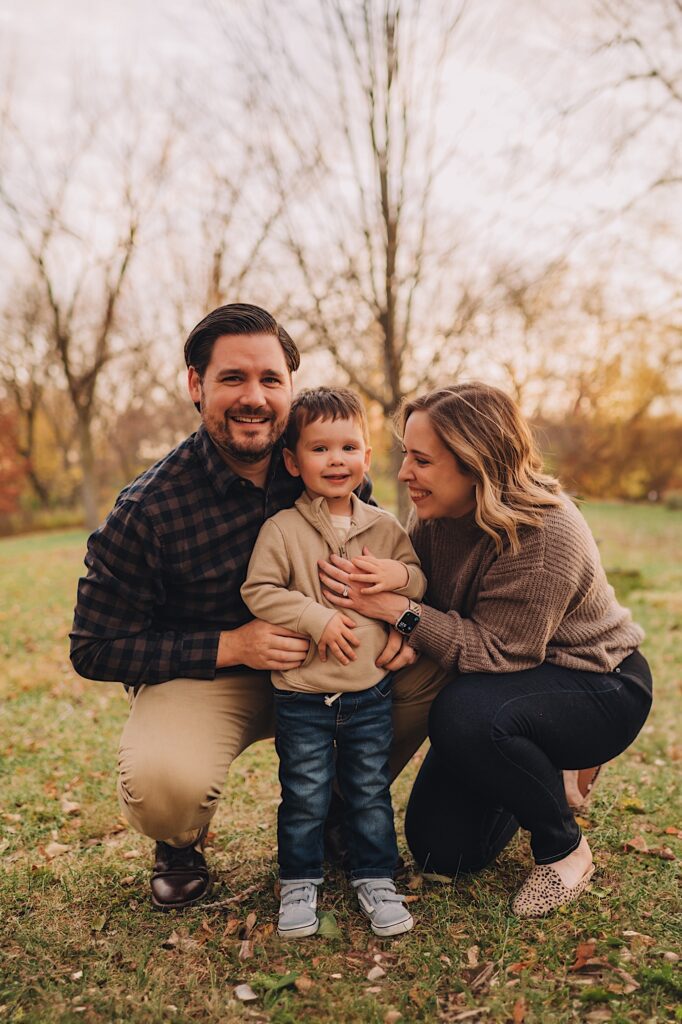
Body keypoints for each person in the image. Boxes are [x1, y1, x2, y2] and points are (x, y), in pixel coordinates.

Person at [69, 303, 445, 910]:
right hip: (212, 677)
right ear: (196, 385)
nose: (254, 397)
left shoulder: (325, 461)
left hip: (335, 661)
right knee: (164, 786)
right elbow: (93, 647)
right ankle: (180, 840)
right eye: (232, 379)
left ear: (290, 388)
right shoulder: (148, 509)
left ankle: (337, 812)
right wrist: (232, 645)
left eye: (270, 380)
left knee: (437, 663)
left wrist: (399, 618)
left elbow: (380, 558)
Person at [318, 382, 652, 917]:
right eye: (406, 453)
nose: (404, 474)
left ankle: (563, 849)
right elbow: (425, 587)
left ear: (476, 466)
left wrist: (398, 613)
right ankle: (543, 775)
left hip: (596, 683)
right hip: (501, 690)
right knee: (442, 849)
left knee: (464, 713)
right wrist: (402, 614)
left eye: (421, 460)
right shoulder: (434, 514)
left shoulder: (544, 534)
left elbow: (500, 652)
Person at [241, 387, 425, 938]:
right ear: (294, 462)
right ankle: (299, 881)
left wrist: (398, 579)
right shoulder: (282, 530)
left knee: (369, 788)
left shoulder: (386, 528)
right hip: (302, 696)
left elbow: (418, 579)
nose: (336, 460)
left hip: (369, 692)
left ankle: (374, 876)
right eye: (320, 449)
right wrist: (313, 618)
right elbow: (259, 589)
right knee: (304, 791)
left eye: (349, 447)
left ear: (366, 458)